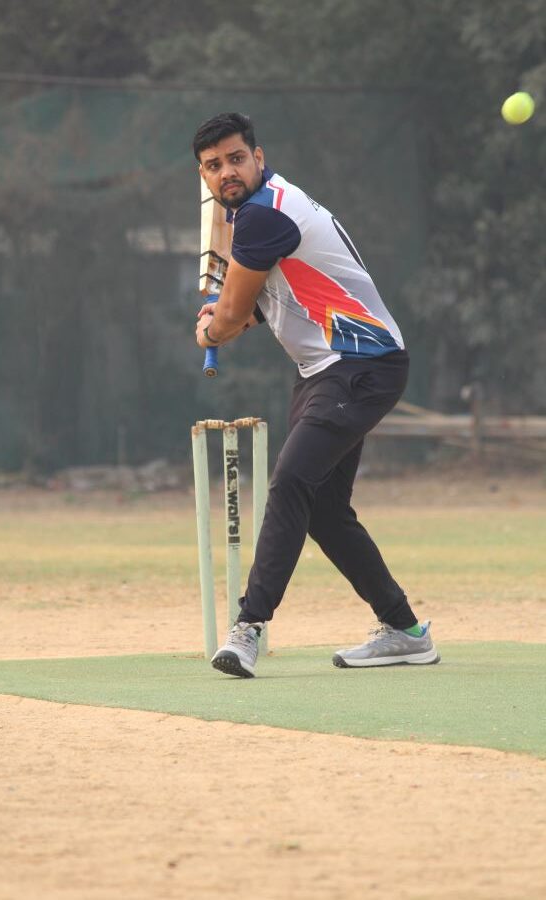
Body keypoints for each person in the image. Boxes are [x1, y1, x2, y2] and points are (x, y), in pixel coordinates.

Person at [193, 112, 439, 678]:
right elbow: (277, 295)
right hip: (326, 370)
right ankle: (405, 631)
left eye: (236, 159)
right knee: (324, 511)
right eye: (213, 165)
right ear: (204, 176)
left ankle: (248, 628)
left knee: (291, 482)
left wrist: (212, 329)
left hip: (360, 365)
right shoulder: (266, 205)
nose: (227, 172)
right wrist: (229, 318)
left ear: (258, 157)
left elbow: (231, 314)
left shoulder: (261, 215)